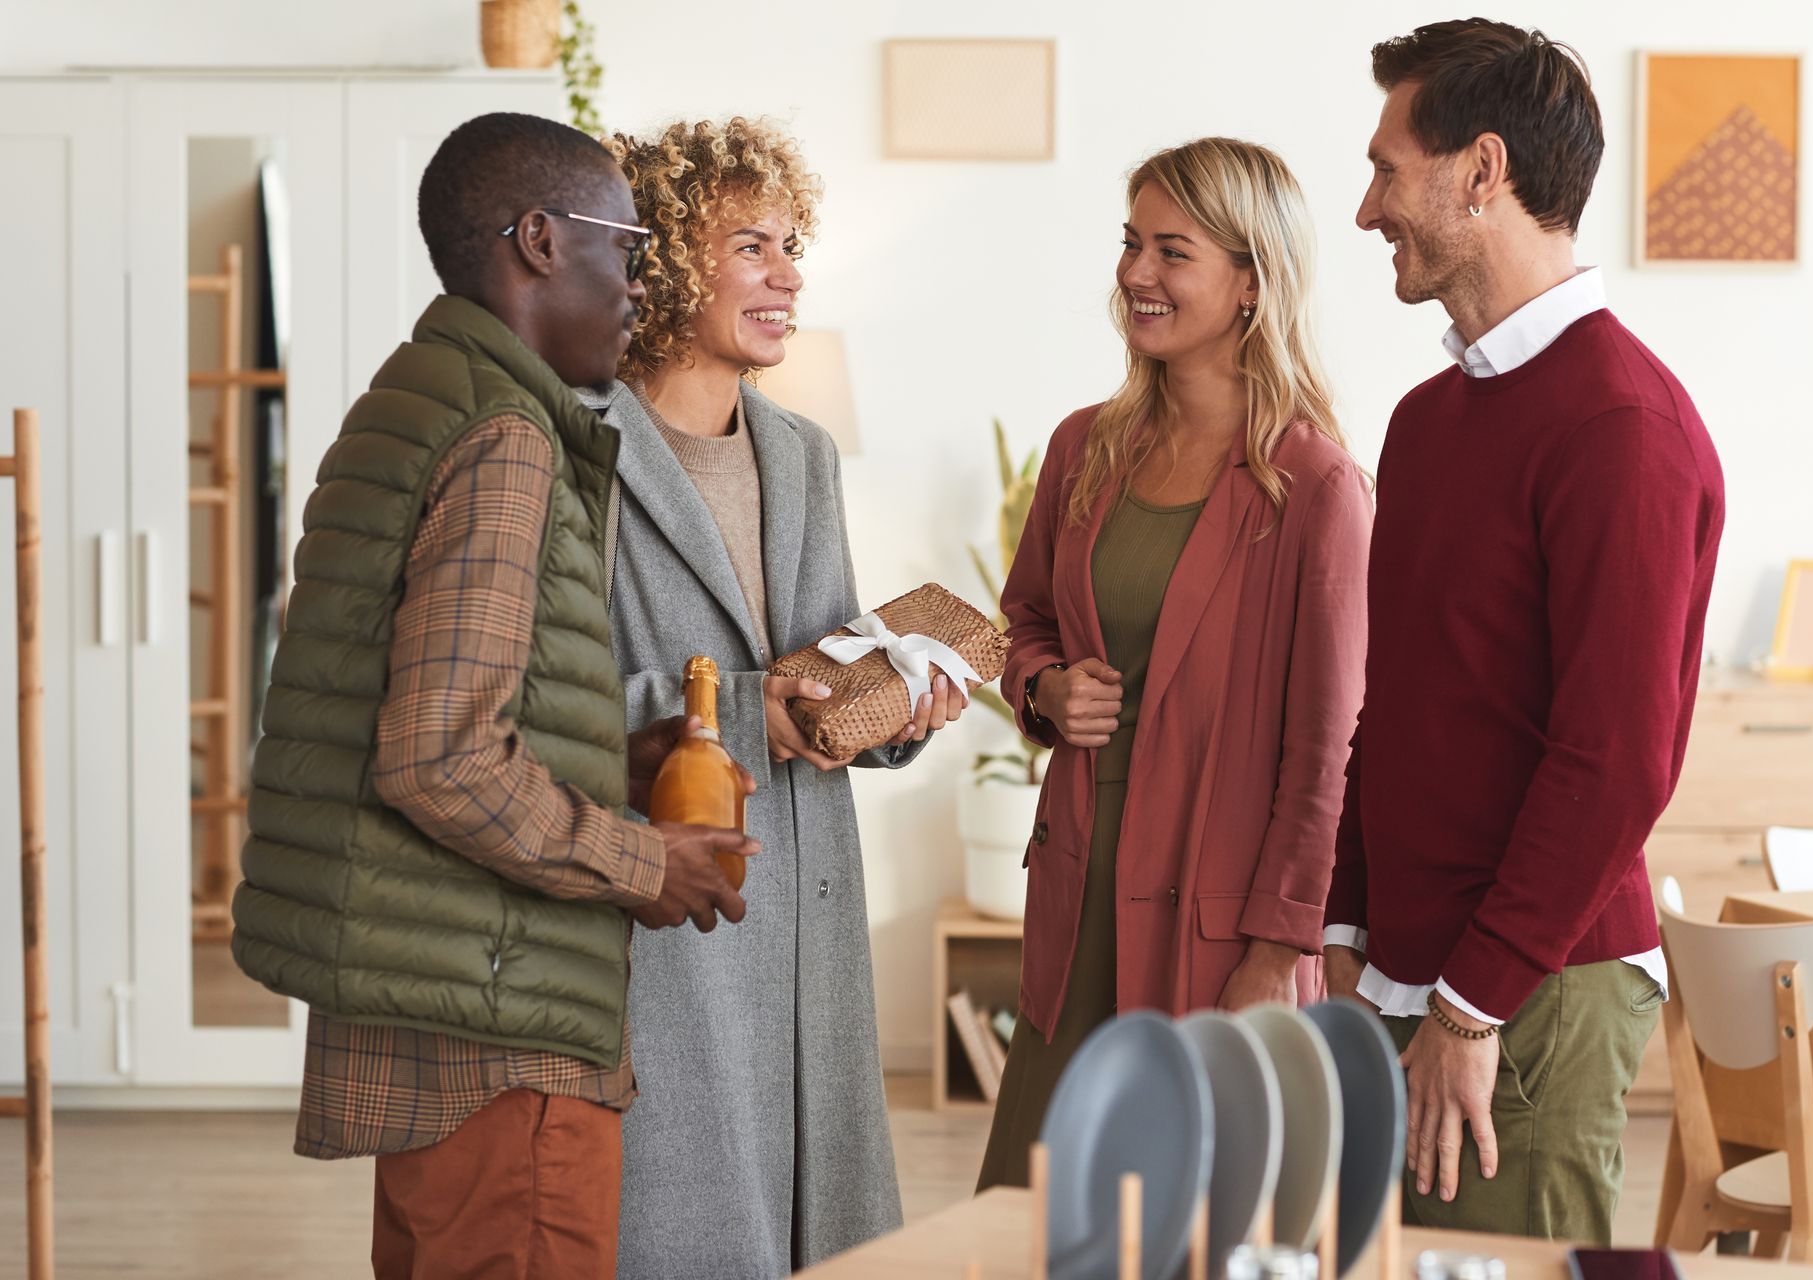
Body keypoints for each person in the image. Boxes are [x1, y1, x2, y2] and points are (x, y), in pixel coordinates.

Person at [229, 111, 759, 1277]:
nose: (638, 284)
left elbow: (411, 698)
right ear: (536, 240)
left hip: (431, 999)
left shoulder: (414, 399)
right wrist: (642, 858)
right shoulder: (508, 437)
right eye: (624, 246)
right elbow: (438, 756)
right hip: (497, 1035)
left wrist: (611, 756)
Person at [1329, 19, 1726, 1242]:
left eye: (1388, 169)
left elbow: (1616, 760)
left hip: (1525, 1002)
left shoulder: (1621, 425)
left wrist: (1468, 1006)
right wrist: (1344, 927)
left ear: (1481, 171)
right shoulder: (1426, 419)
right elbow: (1391, 705)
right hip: (1406, 983)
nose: (1365, 209)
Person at [579, 116, 969, 1279]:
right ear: (661, 261)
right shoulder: (577, 448)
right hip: (673, 904)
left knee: (820, 1234)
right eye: (753, 245)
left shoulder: (803, 453)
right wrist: (755, 709)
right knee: (688, 1229)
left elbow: (821, 662)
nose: (790, 274)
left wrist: (892, 699)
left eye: (794, 244)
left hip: (810, 896)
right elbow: (551, 698)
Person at [977, 136, 1372, 1190]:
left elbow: (1324, 750)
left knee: (1185, 1224)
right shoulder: (1082, 447)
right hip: (1078, 899)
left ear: (1251, 280)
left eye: (1171, 251)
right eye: (1130, 244)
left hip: (1215, 919)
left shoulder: (1315, 487)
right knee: (1036, 1214)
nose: (1136, 275)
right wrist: (1045, 689)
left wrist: (1271, 953)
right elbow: (1017, 624)